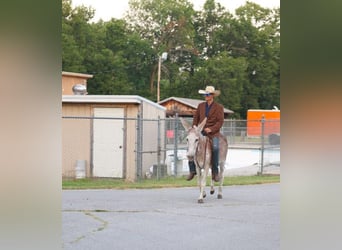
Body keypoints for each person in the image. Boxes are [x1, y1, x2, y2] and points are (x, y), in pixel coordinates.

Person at [186, 86, 224, 182]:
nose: (205, 96)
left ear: (212, 96)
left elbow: (220, 122)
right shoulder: (200, 106)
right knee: (191, 145)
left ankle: (215, 172)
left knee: (215, 148)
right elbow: (196, 119)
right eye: (205, 94)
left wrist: (211, 129)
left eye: (207, 94)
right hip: (200, 132)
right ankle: (192, 170)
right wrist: (194, 129)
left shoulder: (219, 107)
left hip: (213, 134)